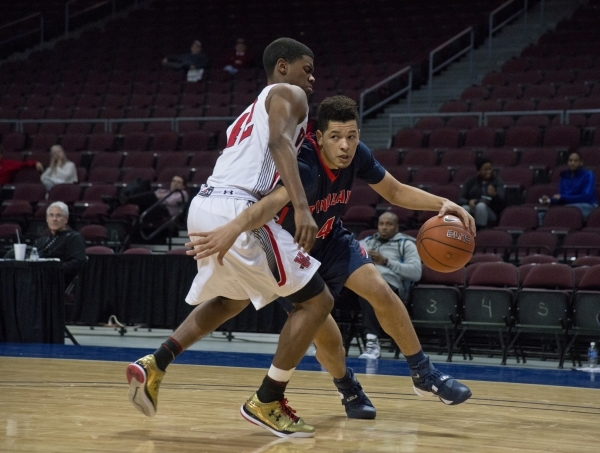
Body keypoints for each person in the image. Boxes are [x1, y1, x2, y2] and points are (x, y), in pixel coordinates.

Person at [188, 96, 476, 421]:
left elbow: (394, 192)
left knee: (380, 290)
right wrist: (230, 230)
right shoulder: (303, 163)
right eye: (337, 137)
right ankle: (347, 386)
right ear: (319, 136)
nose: (346, 145)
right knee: (330, 341)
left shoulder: (358, 156)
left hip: (332, 238)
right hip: (292, 251)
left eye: (352, 136)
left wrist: (443, 203)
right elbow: (264, 206)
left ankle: (424, 374)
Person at [127, 38, 335, 439]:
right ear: (282, 67)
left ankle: (157, 361)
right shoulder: (288, 94)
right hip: (237, 207)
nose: (312, 77)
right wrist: (303, 207)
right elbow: (278, 145)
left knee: (231, 297)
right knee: (318, 300)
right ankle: (268, 400)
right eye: (306, 68)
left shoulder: (251, 108)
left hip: (205, 204)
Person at [356, 211, 422, 359]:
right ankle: (328, 342)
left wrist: (386, 262)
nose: (384, 227)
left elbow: (416, 272)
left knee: (371, 290)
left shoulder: (406, 244)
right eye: (381, 224)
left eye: (389, 224)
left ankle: (372, 344)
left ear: (396, 227)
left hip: (389, 286)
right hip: (362, 282)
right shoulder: (367, 242)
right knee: (330, 291)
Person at [34, 201, 87, 286]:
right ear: (47, 219)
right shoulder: (41, 241)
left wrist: (54, 270)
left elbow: (78, 262)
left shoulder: (74, 238)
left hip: (58, 282)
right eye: (51, 215)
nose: (54, 219)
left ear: (66, 219)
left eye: (58, 215)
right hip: (38, 280)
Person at [541, 151, 599, 220]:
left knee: (565, 211)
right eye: (570, 160)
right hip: (568, 206)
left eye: (575, 161)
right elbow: (561, 198)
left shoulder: (588, 175)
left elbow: (586, 197)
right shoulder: (564, 176)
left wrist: (562, 197)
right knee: (542, 215)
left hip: (588, 205)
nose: (572, 163)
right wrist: (550, 200)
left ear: (581, 163)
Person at [459, 157, 505, 229]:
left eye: (490, 169)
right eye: (485, 169)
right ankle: (464, 232)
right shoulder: (471, 181)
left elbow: (502, 202)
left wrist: (494, 195)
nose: (489, 171)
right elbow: (460, 199)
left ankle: (480, 231)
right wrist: (468, 202)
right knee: (465, 208)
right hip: (473, 207)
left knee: (481, 206)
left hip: (490, 211)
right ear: (479, 171)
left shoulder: (497, 181)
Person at [120, 175, 189, 222]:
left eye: (178, 182)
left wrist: (158, 196)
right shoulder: (165, 191)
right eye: (173, 181)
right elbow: (156, 195)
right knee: (143, 182)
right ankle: (125, 198)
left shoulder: (182, 193)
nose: (175, 183)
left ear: (183, 186)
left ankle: (126, 200)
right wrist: (158, 196)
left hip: (164, 213)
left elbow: (170, 201)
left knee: (151, 196)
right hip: (154, 208)